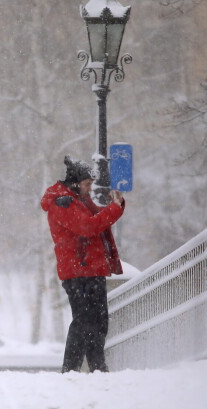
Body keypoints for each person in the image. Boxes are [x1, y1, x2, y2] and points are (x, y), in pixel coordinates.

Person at [40, 156, 125, 373]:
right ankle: (71, 369)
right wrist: (113, 209)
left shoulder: (78, 200)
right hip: (78, 271)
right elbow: (88, 227)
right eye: (87, 185)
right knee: (84, 322)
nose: (89, 189)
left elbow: (98, 218)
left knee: (98, 321)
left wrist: (116, 205)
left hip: (90, 268)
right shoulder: (63, 203)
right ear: (76, 183)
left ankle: (97, 367)